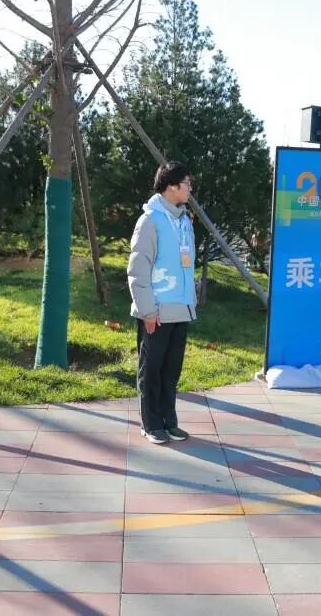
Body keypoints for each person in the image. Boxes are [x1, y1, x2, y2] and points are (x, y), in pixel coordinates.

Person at [128, 161, 197, 444]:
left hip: (181, 309)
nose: (190, 189)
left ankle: (169, 422)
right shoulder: (150, 221)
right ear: (171, 186)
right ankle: (151, 424)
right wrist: (147, 310)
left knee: (171, 371)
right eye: (187, 184)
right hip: (156, 311)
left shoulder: (184, 221)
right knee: (152, 370)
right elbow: (138, 269)